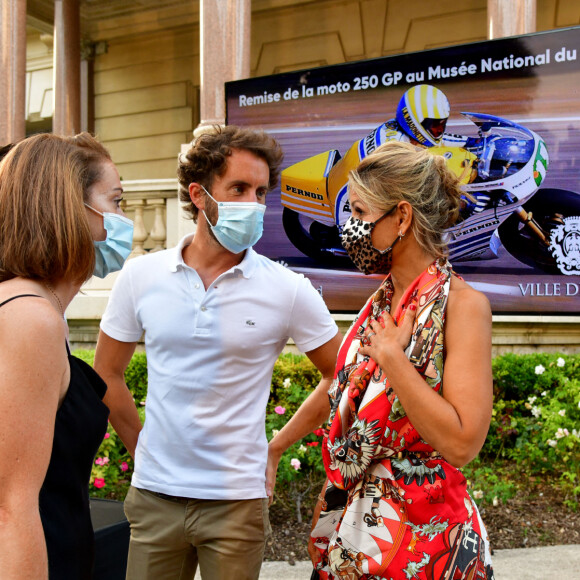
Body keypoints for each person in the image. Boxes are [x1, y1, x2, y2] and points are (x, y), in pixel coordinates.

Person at [93, 125, 342, 580]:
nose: (253, 203)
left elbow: (340, 376)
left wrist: (275, 448)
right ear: (200, 195)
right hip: (155, 499)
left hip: (236, 503)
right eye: (239, 188)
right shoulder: (140, 277)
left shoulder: (287, 289)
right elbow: (106, 373)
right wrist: (141, 449)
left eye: (261, 191)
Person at [269, 140, 494, 579]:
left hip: (426, 541)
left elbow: (462, 444)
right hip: (355, 531)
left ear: (402, 217)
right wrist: (277, 446)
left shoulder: (463, 306)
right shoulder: (381, 302)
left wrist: (394, 359)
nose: (349, 228)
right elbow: (342, 384)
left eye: (358, 212)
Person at [0, 132, 134, 579]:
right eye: (114, 202)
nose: (122, 220)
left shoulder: (29, 307)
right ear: (67, 208)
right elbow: (10, 507)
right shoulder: (30, 318)